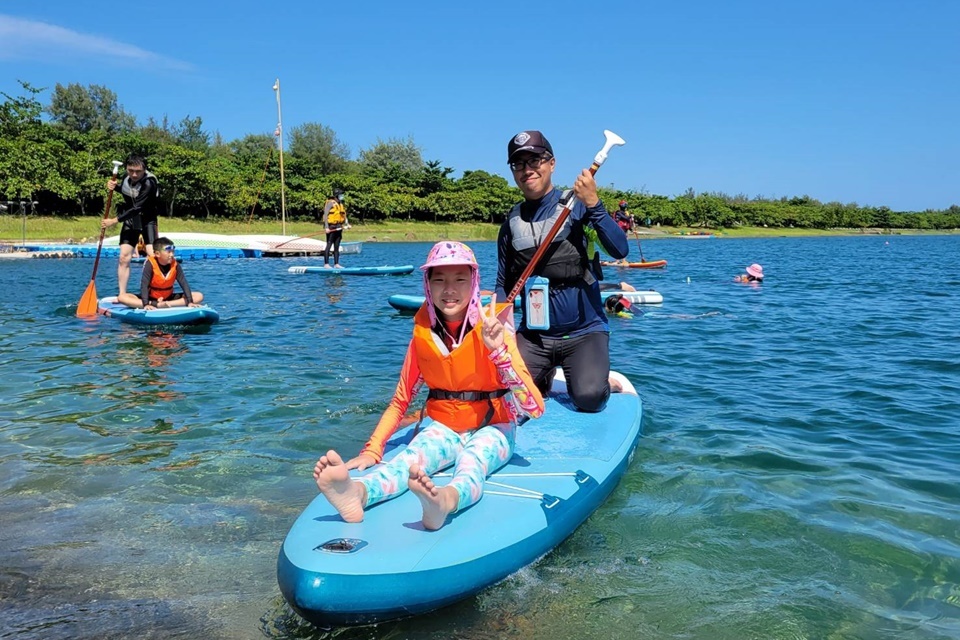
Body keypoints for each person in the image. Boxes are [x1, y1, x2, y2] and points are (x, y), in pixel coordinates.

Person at [313, 241, 544, 530]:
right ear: (427, 284)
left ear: (474, 283)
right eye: (440, 280)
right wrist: (373, 450)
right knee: (409, 460)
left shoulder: (493, 331)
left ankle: (443, 502)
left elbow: (533, 408)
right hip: (444, 426)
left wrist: (499, 353)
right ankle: (356, 494)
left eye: (460, 279)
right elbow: (401, 400)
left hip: (495, 427)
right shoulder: (423, 338)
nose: (449, 289)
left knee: (472, 462)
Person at [495, 130, 630, 412]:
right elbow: (502, 285)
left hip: (584, 331)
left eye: (535, 161)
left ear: (552, 163)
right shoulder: (511, 223)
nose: (527, 170)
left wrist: (594, 203)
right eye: (518, 164)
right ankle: (540, 378)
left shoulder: (578, 206)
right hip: (535, 336)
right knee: (506, 396)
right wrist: (499, 330)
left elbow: (620, 250)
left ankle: (600, 380)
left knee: (589, 398)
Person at [101, 155, 161, 296]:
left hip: (148, 221)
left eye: (138, 171)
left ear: (144, 170)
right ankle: (122, 294)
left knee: (153, 257)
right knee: (124, 257)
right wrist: (115, 187)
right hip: (131, 221)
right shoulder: (126, 178)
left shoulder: (149, 183)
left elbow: (137, 207)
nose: (134, 174)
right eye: (130, 170)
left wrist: (114, 221)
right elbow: (128, 192)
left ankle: (154, 293)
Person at [117, 237, 204, 309]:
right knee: (122, 297)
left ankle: (168, 304)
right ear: (157, 254)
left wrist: (190, 302)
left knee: (198, 296)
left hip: (169, 298)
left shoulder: (175, 264)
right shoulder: (150, 264)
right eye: (168, 251)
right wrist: (146, 303)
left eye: (173, 251)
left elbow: (184, 283)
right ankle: (158, 305)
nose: (172, 254)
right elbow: (144, 285)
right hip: (151, 298)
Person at [322, 189, 350, 268]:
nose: (342, 196)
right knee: (329, 244)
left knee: (337, 246)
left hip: (339, 226)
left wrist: (347, 224)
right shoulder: (330, 203)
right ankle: (326, 264)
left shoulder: (340, 204)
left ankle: (336, 264)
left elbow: (344, 216)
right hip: (331, 226)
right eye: (341, 194)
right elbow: (325, 215)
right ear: (336, 195)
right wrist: (327, 227)